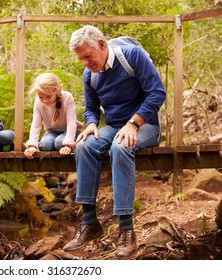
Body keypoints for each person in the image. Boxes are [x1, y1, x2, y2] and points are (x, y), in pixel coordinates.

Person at [63, 25, 166, 258]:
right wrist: (90, 123)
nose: (86, 63)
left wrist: (133, 123)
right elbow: (91, 108)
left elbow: (157, 93)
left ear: (101, 44)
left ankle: (126, 231)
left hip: (145, 125)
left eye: (88, 57)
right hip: (113, 126)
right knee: (84, 146)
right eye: (81, 59)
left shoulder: (132, 56)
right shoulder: (89, 74)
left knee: (121, 147)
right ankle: (89, 222)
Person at [24, 72, 83, 159]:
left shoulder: (67, 97)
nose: (45, 101)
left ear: (56, 91)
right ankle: (57, 143)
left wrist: (68, 145)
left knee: (60, 143)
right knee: (44, 145)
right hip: (52, 132)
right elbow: (36, 125)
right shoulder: (38, 102)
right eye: (41, 97)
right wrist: (32, 145)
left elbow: (71, 123)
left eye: (48, 97)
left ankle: (74, 142)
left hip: (69, 131)